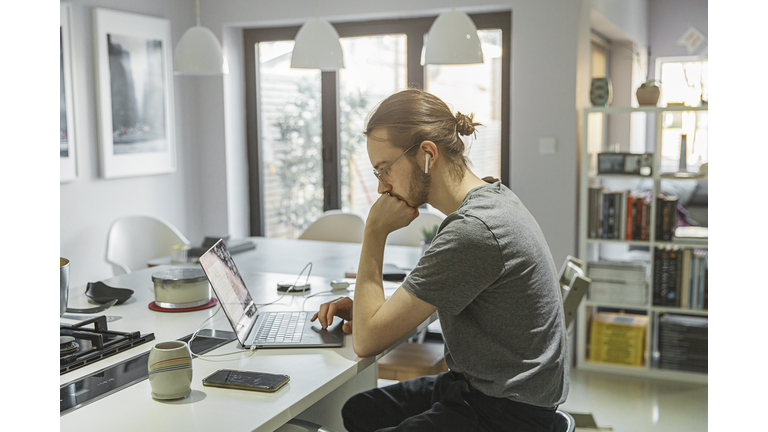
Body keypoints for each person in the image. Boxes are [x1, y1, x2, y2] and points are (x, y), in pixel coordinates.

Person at [311, 88, 568, 432]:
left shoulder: (474, 231)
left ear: (427, 154)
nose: (381, 188)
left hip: (504, 413)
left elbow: (368, 341)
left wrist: (374, 232)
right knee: (361, 410)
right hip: (492, 392)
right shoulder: (494, 196)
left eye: (384, 170)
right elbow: (396, 314)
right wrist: (369, 313)